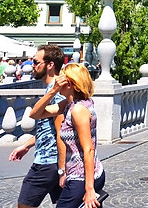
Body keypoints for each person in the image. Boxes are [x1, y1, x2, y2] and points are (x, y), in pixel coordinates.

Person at [31, 63, 105, 208]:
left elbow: (88, 150)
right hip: (78, 175)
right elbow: (35, 114)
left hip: (82, 178)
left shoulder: (78, 110)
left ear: (70, 83)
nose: (57, 80)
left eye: (61, 78)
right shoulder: (69, 105)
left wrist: (89, 189)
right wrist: (52, 91)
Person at [9, 44, 66, 208]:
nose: (31, 66)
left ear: (50, 65)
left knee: (24, 205)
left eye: (35, 62)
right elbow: (47, 128)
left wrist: (61, 169)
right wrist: (26, 145)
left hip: (47, 163)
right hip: (52, 163)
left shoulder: (56, 91)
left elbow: (61, 132)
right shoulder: (52, 89)